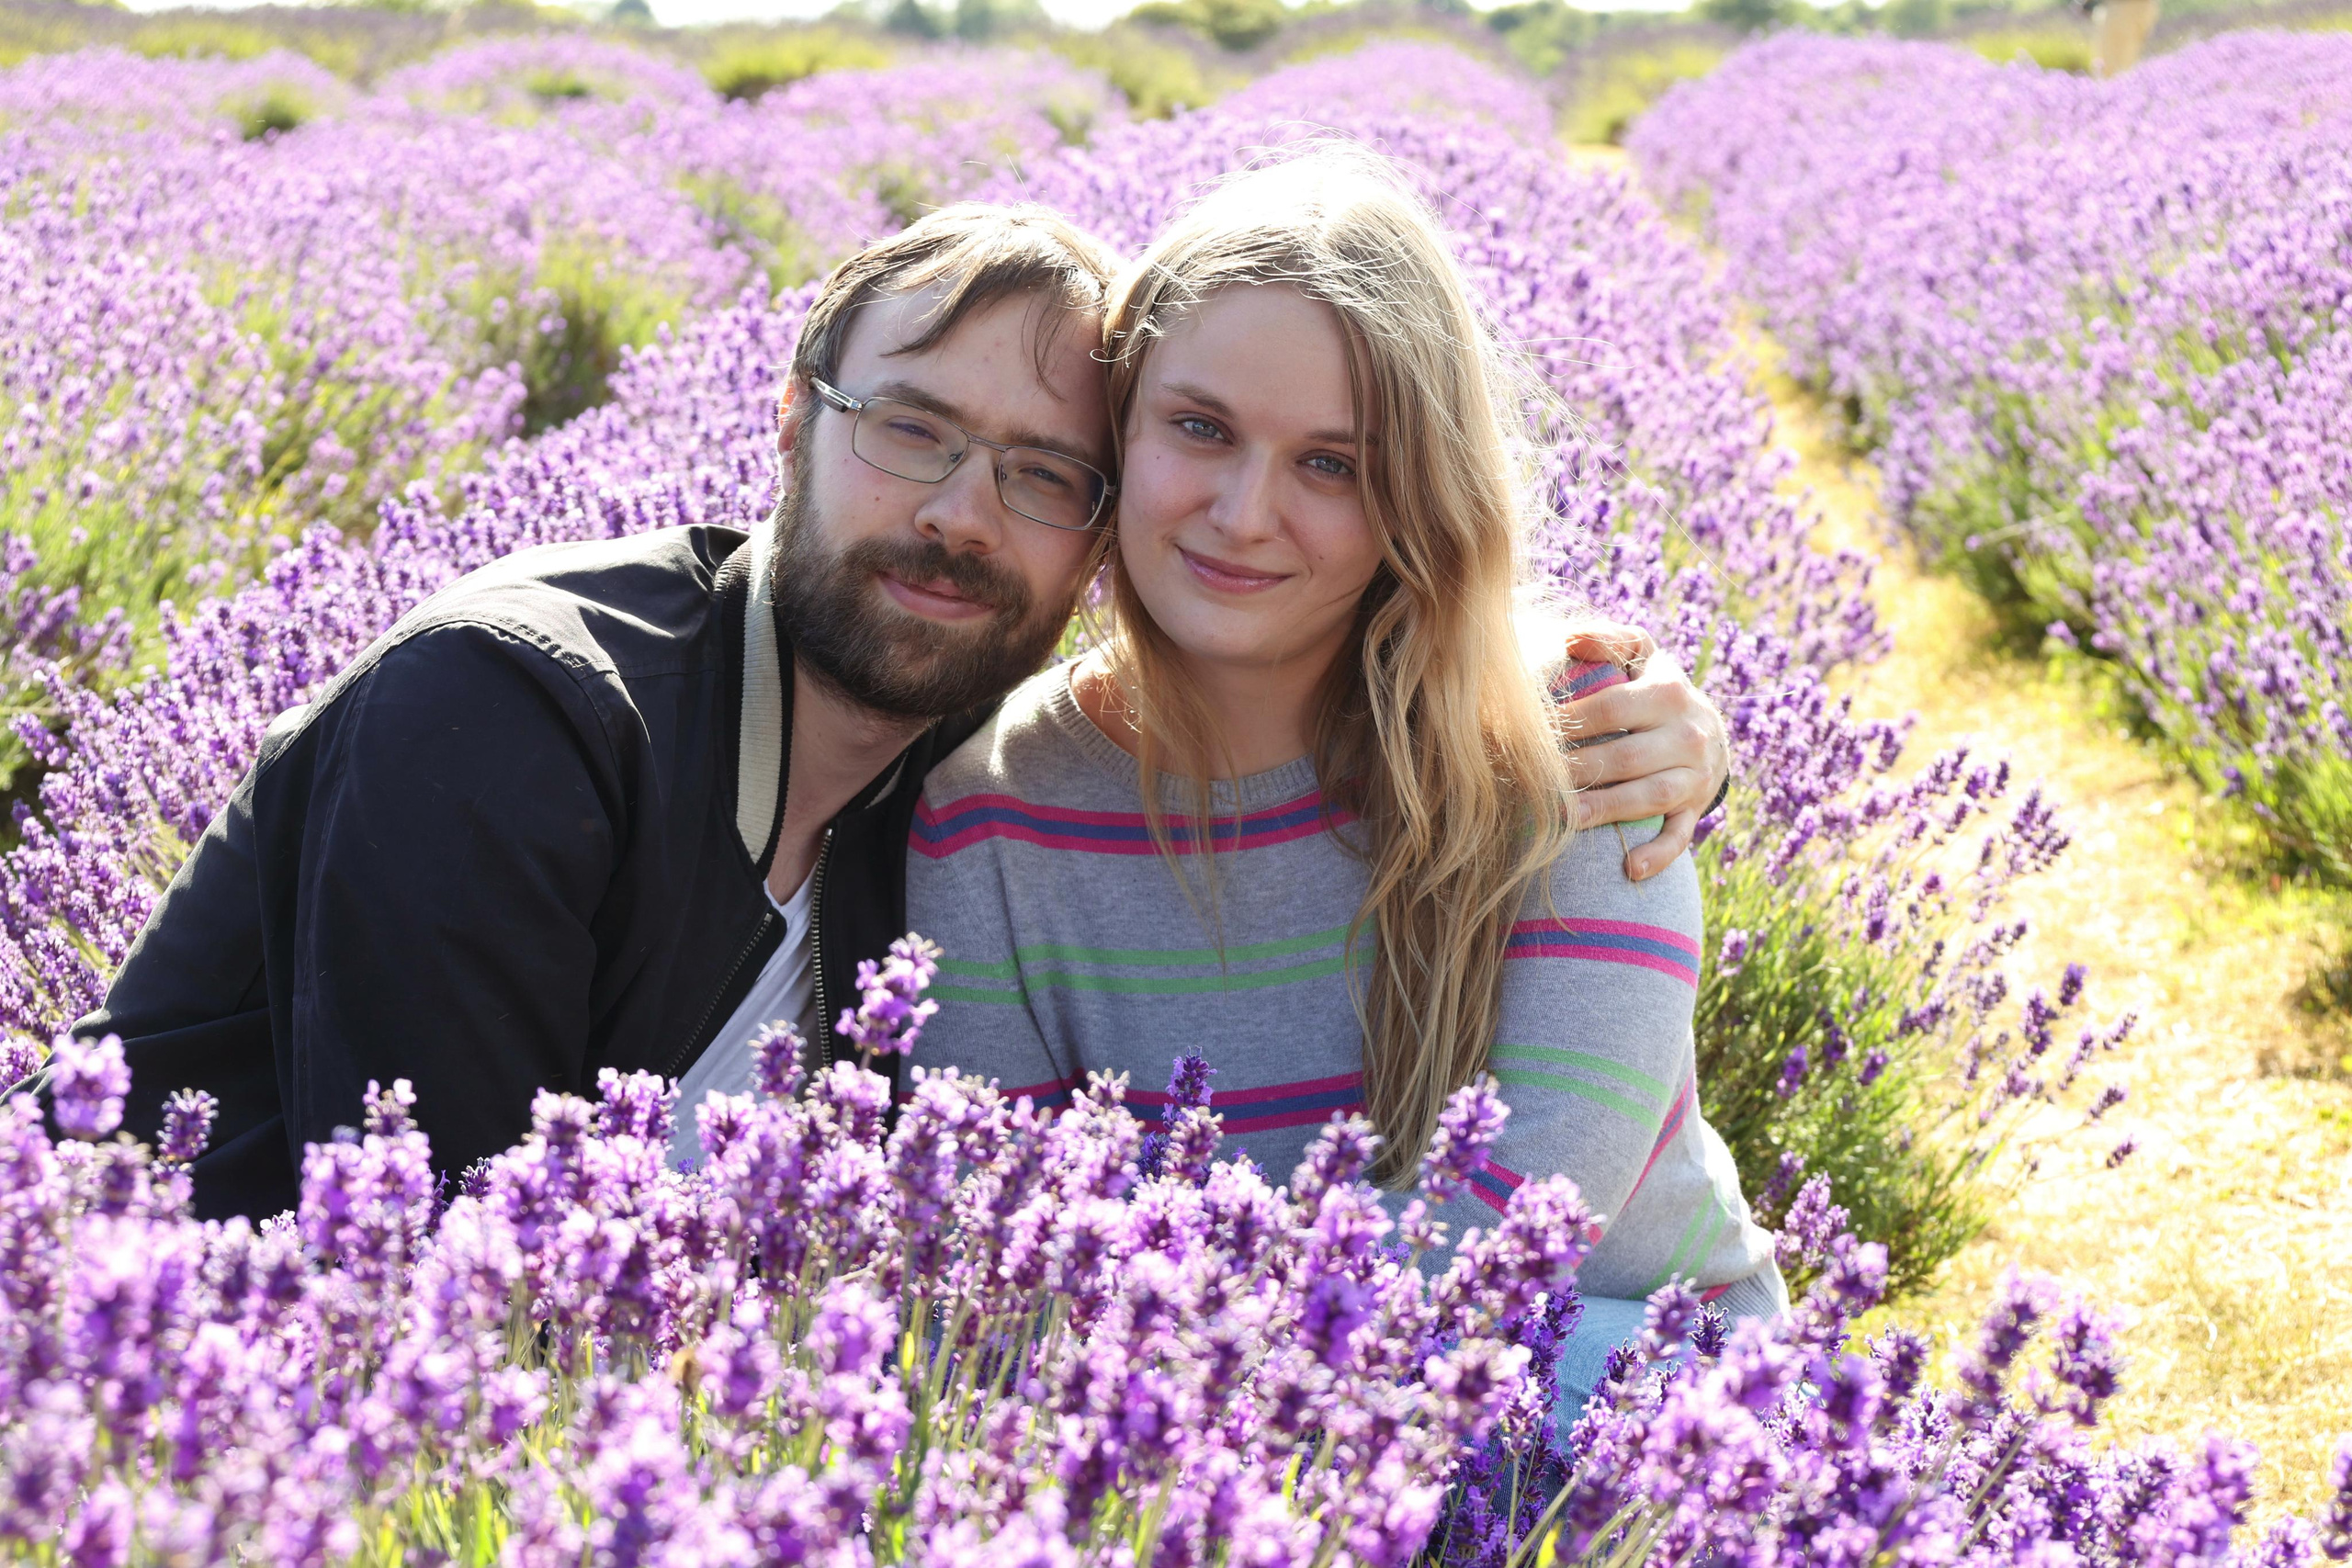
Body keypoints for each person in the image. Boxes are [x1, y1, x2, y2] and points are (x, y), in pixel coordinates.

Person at [55, 200, 1732, 1220]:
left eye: (1040, 472)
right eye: (911, 430)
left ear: (1093, 525)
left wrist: (1633, 717)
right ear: (795, 419)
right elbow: (424, 1250)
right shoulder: (510, 721)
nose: (960, 516)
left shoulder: (948, 775)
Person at [899, 155, 1784, 1407]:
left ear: (1416, 494)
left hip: (1597, 1373)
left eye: (1333, 464)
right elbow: (1006, 1254)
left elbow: (1541, 1200)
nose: (1244, 514)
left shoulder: (1576, 739)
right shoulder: (989, 811)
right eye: (1200, 429)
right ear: (1118, 430)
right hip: (1200, 1419)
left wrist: (1224, 1402)